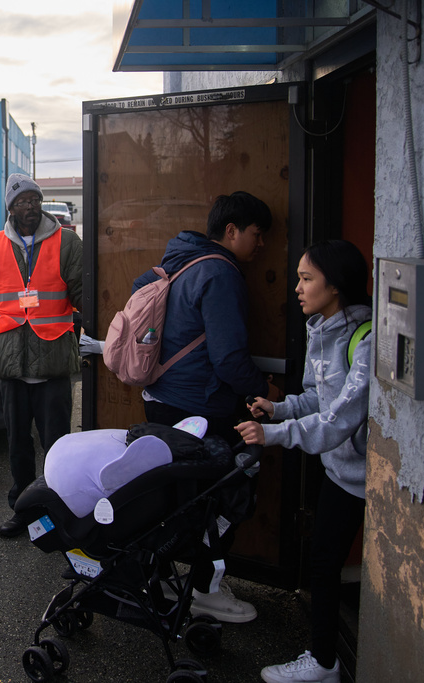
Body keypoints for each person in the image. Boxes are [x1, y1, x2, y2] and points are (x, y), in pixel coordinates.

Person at [128, 191, 277, 623]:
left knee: (178, 496)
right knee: (224, 495)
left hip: (161, 402)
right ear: (231, 231)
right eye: (257, 233)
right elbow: (229, 358)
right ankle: (206, 590)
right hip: (202, 408)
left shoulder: (178, 260)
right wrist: (262, 388)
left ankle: (160, 575)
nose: (261, 244)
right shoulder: (220, 272)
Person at [236, 240, 372, 683]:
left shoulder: (366, 343)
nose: (297, 287)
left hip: (367, 479)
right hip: (339, 471)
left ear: (335, 285)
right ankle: (324, 659)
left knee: (335, 564)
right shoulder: (322, 326)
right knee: (323, 561)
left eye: (307, 278)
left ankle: (323, 662)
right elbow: (319, 397)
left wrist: (272, 433)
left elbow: (338, 420)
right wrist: (280, 408)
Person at [0, 173, 83, 538]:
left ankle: (58, 513)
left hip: (52, 364)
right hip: (11, 367)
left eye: (34, 199)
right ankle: (22, 510)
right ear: (11, 207)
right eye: (21, 201)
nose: (30, 207)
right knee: (18, 447)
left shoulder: (67, 242)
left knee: (56, 449)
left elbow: (86, 297)